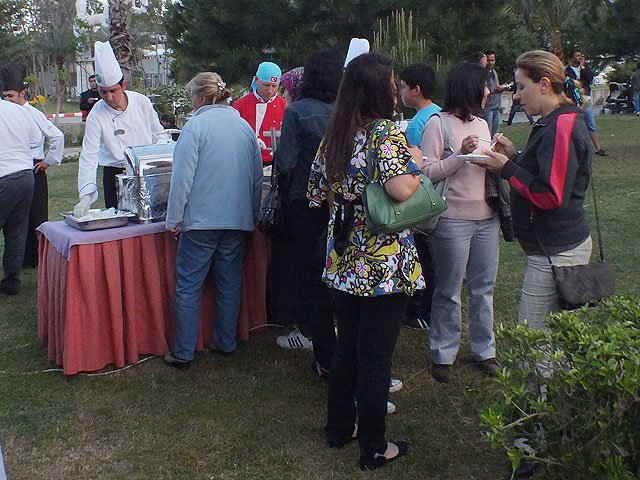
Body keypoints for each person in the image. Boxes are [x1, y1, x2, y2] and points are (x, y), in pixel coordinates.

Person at [308, 53, 424, 470]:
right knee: (376, 356)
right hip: (383, 261)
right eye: (391, 82)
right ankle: (375, 446)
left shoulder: (336, 134)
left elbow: (316, 195)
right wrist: (417, 166)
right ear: (380, 90)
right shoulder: (385, 136)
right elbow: (400, 190)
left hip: (344, 256)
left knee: (347, 349)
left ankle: (340, 427)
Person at [477, 50, 592, 332]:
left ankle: (540, 380)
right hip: (553, 248)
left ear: (543, 84)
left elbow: (550, 195)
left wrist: (507, 168)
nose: (516, 95)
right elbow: (549, 173)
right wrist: (516, 157)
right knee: (558, 338)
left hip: (556, 252)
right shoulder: (553, 121)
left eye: (521, 86)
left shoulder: (561, 126)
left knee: (534, 337)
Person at [163, 72, 263, 369]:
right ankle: (226, 341)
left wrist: (173, 218)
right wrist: (252, 214)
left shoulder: (195, 127)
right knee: (229, 282)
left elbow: (182, 179)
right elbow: (256, 178)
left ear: (201, 98)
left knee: (189, 285)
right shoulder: (243, 127)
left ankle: (183, 351)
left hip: (201, 221)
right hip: (236, 219)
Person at [421, 62, 501, 384]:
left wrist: (499, 156)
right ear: (468, 88)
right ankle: (443, 353)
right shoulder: (438, 124)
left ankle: (485, 350)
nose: (488, 91)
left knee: (484, 287)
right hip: (452, 219)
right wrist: (459, 156)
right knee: (449, 289)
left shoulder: (483, 124)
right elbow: (425, 173)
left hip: (487, 218)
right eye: (483, 86)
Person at [272, 49, 342, 378]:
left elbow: (285, 162)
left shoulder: (297, 111)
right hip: (344, 203)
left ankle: (325, 354)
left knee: (314, 280)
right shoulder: (347, 111)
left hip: (307, 204)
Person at [74, 41, 164, 216]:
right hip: (114, 176)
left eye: (113, 91)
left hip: (145, 173)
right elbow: (89, 156)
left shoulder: (141, 101)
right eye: (103, 92)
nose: (109, 97)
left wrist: (155, 163)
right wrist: (85, 196)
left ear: (123, 86)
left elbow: (158, 135)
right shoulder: (96, 114)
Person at [1, 62, 64, 269]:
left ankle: (37, 257)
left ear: (22, 94)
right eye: (5, 96)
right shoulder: (8, 114)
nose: (8, 100)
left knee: (36, 216)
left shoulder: (33, 114)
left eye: (11, 96)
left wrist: (48, 160)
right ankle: (24, 260)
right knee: (19, 219)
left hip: (34, 167)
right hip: (17, 168)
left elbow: (57, 136)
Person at [398, 63, 441, 330]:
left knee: (423, 257)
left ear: (416, 90)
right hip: (436, 197)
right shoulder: (438, 114)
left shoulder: (417, 123)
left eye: (403, 88)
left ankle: (421, 309)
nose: (400, 93)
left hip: (421, 196)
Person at [0, 97, 40, 295]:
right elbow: (36, 141)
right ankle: (11, 282)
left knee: (15, 231)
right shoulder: (18, 110)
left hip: (3, 175)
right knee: (16, 231)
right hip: (25, 174)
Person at [232, 62, 287, 164]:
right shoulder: (240, 105)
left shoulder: (284, 105)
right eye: (266, 85)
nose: (270, 91)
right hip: (248, 161)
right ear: (256, 80)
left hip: (276, 162)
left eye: (274, 86)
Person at [564, 49, 607, 156]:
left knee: (590, 123)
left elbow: (590, 78)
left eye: (581, 55)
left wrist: (583, 68)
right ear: (572, 58)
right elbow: (569, 83)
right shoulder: (567, 70)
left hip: (585, 98)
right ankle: (572, 149)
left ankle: (598, 148)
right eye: (577, 56)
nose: (580, 57)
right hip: (573, 100)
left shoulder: (584, 67)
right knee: (573, 125)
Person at [483, 50, 507, 137]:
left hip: (496, 106)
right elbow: (484, 89)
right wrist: (495, 89)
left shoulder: (494, 72)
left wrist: (502, 88)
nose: (490, 63)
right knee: (487, 133)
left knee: (494, 133)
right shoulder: (482, 73)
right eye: (488, 60)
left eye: (492, 60)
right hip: (487, 107)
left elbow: (496, 86)